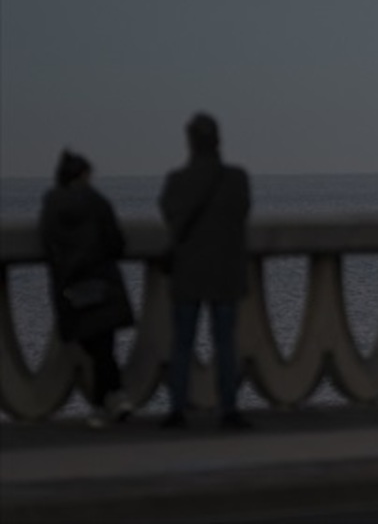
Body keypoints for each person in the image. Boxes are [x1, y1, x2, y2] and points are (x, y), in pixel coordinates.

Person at [158, 113, 252, 429]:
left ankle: (176, 409)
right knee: (225, 342)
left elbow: (169, 215)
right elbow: (242, 212)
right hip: (225, 270)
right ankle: (229, 408)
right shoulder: (237, 179)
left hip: (188, 270)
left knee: (182, 343)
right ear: (218, 141)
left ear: (189, 142)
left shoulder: (177, 181)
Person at [40, 150, 135, 428]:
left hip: (71, 286)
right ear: (83, 175)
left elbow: (49, 246)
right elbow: (115, 242)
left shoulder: (51, 205)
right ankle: (107, 403)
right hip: (101, 282)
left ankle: (112, 401)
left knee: (96, 347)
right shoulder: (97, 202)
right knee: (103, 347)